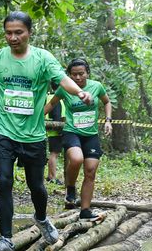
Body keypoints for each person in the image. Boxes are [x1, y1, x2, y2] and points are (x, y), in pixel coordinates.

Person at [0, 12, 93, 251]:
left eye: (18, 32)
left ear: (29, 33)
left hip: (33, 135)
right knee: (4, 181)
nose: (13, 37)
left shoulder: (43, 58)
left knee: (37, 186)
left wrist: (79, 92)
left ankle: (41, 218)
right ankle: (5, 240)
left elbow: (62, 79)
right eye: (8, 33)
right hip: (2, 131)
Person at [43, 59, 112, 221]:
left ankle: (85, 210)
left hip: (91, 135)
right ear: (69, 75)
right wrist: (35, 118)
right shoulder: (65, 89)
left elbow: (107, 102)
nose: (78, 77)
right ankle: (71, 187)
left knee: (90, 171)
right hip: (72, 132)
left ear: (87, 73)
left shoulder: (96, 86)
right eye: (74, 75)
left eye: (81, 74)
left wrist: (108, 120)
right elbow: (51, 104)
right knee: (76, 159)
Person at [46, 91, 66, 185]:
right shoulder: (56, 98)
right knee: (54, 154)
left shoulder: (49, 97)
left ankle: (50, 175)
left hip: (51, 129)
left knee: (53, 153)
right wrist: (60, 131)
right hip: (56, 130)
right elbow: (57, 115)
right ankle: (52, 177)